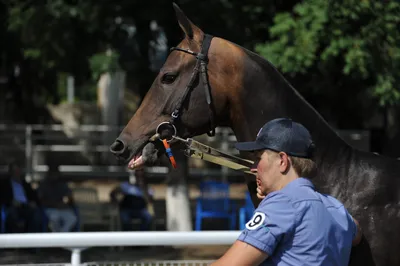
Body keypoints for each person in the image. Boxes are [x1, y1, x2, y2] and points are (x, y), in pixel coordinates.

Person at [211, 118, 363, 266]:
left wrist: (277, 202)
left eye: (258, 158)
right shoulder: (336, 208)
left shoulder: (281, 204)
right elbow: (357, 234)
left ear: (282, 161)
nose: (253, 168)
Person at [0, 160, 42, 233]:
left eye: (18, 171)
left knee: (36, 214)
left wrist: (33, 203)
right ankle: (14, 239)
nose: (16, 173)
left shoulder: (26, 184)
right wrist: (10, 202)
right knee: (12, 214)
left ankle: (32, 239)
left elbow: (35, 197)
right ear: (11, 172)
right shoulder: (4, 185)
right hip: (11, 206)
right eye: (14, 171)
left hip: (26, 206)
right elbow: (2, 197)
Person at [37, 165, 78, 232]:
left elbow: (68, 197)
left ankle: (62, 235)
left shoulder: (62, 184)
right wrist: (54, 205)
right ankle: (56, 238)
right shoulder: (44, 185)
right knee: (54, 219)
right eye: (52, 173)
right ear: (48, 174)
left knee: (72, 219)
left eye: (55, 173)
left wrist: (65, 202)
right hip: (50, 209)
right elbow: (41, 200)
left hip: (62, 208)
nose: (54, 175)